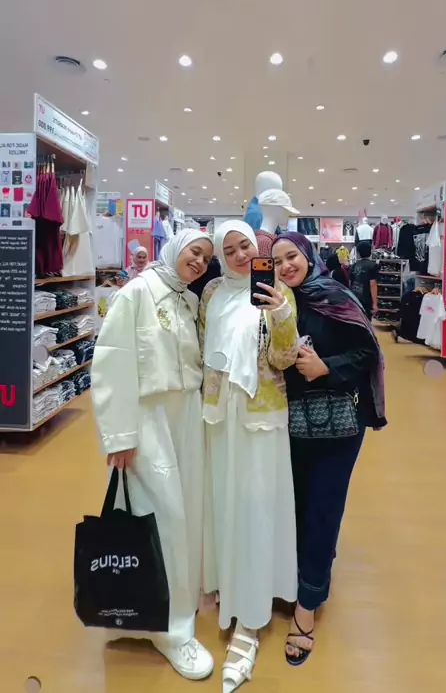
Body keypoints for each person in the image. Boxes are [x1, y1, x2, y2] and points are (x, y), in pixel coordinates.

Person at [91, 229, 215, 680]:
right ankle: (173, 631)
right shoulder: (137, 292)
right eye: (194, 252)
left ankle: (159, 607)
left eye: (206, 258)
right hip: (149, 417)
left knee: (186, 514)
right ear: (175, 249)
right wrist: (119, 434)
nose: (199, 262)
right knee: (163, 518)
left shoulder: (189, 300)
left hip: (187, 415)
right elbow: (112, 359)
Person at [271, 232, 386, 666]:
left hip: (337, 426)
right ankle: (309, 574)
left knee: (322, 508)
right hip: (291, 424)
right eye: (277, 261)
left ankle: (307, 607)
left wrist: (326, 367)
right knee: (299, 506)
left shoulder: (334, 296)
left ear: (308, 256)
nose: (286, 266)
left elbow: (367, 351)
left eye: (292, 256)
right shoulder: (278, 302)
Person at [199, 220, 299, 692]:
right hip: (219, 415)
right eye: (231, 250)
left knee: (256, 507)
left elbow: (283, 358)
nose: (241, 256)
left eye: (246, 246)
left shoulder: (276, 289)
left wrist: (280, 314)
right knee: (225, 502)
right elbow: (204, 348)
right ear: (221, 256)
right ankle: (229, 584)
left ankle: (251, 617)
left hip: (260, 414)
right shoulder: (211, 292)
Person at [349, 240, 378, 319]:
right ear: (370, 251)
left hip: (355, 299)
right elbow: (372, 284)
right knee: (366, 321)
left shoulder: (353, 266)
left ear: (358, 253)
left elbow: (350, 283)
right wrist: (375, 303)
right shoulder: (373, 266)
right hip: (366, 300)